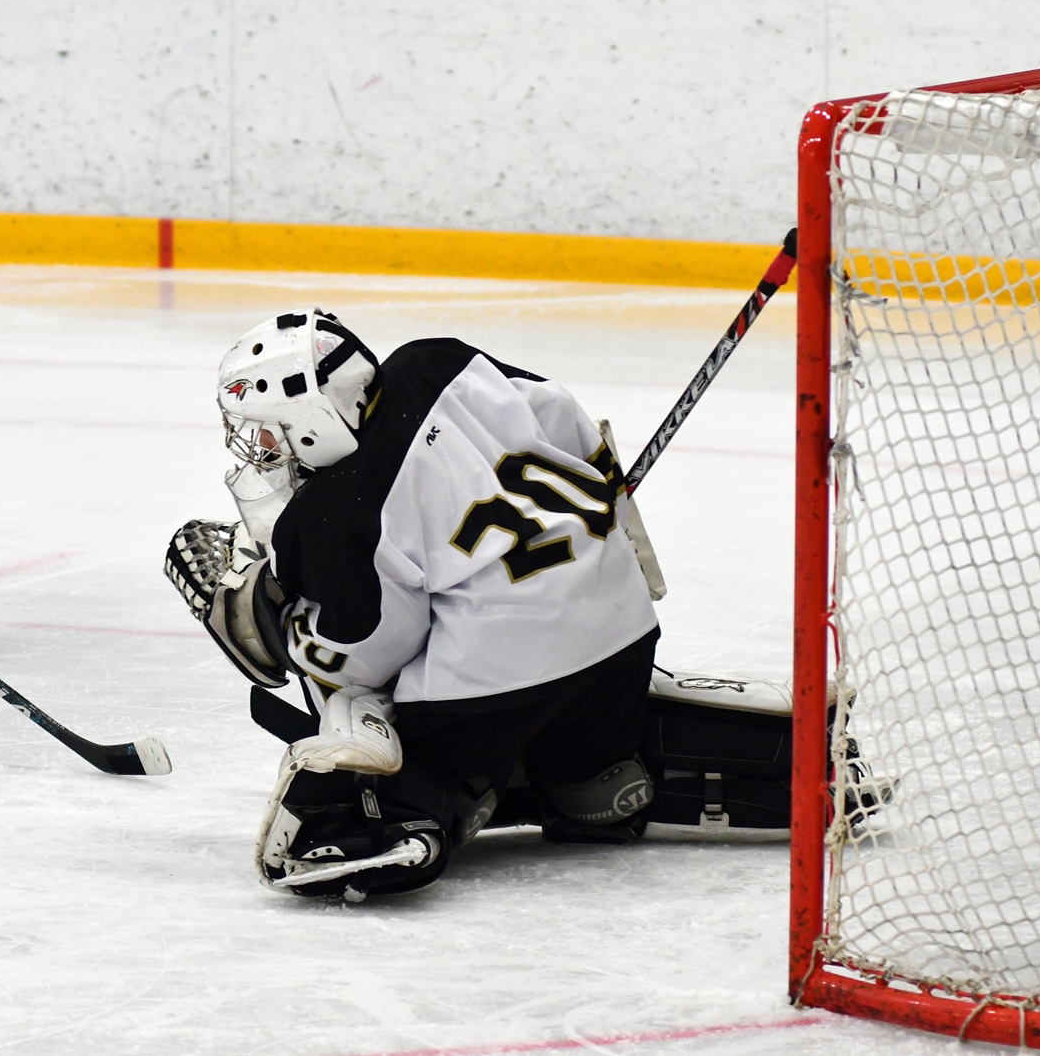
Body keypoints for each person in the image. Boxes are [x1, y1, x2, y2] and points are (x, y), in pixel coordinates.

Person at [166, 308, 670, 899]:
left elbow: (365, 655)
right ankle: (594, 784)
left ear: (311, 418)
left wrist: (276, 620)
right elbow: (555, 408)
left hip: (495, 696)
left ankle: (429, 808)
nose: (264, 446)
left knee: (368, 705)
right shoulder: (441, 360)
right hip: (626, 640)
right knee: (572, 702)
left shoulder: (335, 511)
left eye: (270, 428)